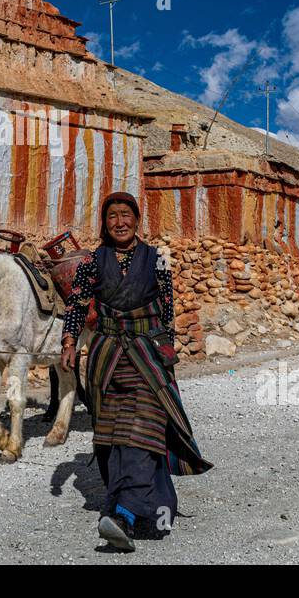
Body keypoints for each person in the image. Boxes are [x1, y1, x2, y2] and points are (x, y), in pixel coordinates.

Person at [60, 191, 213, 552]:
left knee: (142, 429)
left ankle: (125, 513)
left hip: (146, 355)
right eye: (112, 216)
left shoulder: (156, 258)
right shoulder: (93, 262)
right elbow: (78, 305)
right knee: (111, 434)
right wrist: (69, 343)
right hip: (107, 357)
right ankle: (138, 504)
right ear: (104, 222)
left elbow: (167, 307)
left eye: (126, 215)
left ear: (137, 219)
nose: (120, 222)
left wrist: (167, 347)